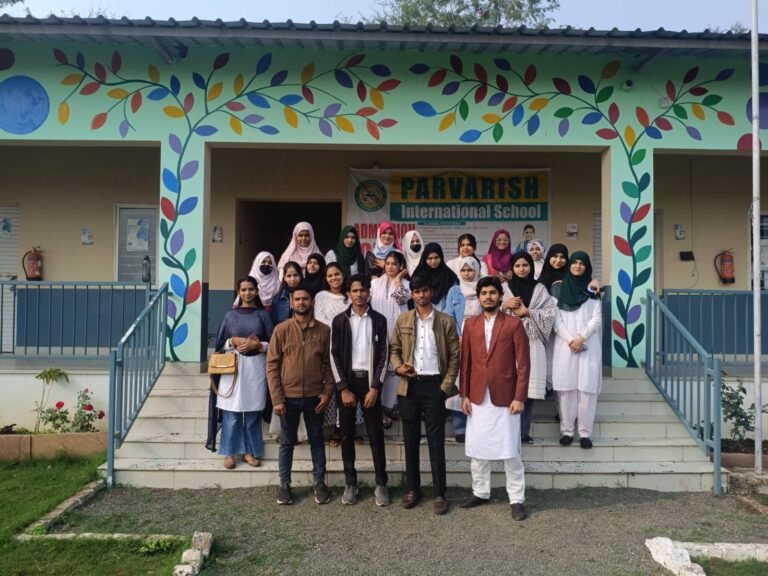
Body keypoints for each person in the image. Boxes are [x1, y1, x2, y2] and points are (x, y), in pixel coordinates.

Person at [458, 276, 530, 521]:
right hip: (478, 397)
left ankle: (516, 499)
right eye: (484, 293)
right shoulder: (470, 325)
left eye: (492, 292)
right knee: (478, 450)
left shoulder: (513, 324)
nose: (488, 297)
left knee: (511, 452)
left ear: (500, 296)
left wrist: (519, 396)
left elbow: (523, 364)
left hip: (506, 397)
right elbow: (466, 363)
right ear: (478, 297)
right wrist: (465, 395)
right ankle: (480, 492)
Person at [390, 274, 460, 515]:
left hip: (434, 387)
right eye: (417, 291)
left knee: (435, 441)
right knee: (410, 440)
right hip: (409, 386)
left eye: (425, 290)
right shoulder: (403, 319)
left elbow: (455, 357)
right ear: (412, 294)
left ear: (431, 292)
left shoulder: (445, 321)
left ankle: (440, 493)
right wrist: (398, 367)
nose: (421, 295)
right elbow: (394, 349)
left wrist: (445, 387)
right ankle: (412, 489)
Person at [267, 283, 335, 505]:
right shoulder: (281, 330)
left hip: (315, 397)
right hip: (288, 398)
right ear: (292, 302)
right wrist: (277, 398)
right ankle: (284, 485)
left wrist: (327, 393)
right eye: (297, 299)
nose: (301, 302)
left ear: (312, 302)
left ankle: (319, 483)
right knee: (287, 442)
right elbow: (272, 366)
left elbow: (329, 365)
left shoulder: (324, 331)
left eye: (305, 299)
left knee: (317, 440)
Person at [329, 274, 391, 507]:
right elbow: (333, 355)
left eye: (363, 290)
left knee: (375, 434)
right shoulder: (339, 321)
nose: (359, 294)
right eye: (354, 290)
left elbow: (384, 355)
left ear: (368, 293)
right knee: (346, 435)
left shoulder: (379, 320)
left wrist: (376, 387)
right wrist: (343, 388)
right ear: (349, 294)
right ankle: (350, 483)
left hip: (370, 383)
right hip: (347, 383)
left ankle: (381, 484)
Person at [208, 276, 274, 469]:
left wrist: (258, 345)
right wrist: (233, 341)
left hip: (255, 368)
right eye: (243, 289)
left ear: (257, 291)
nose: (247, 293)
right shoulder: (230, 316)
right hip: (233, 368)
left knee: (252, 412)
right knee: (231, 412)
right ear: (238, 292)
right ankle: (229, 453)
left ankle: (250, 452)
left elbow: (274, 343)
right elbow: (221, 344)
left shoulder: (263, 315)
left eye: (251, 289)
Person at [502, 252, 557, 443]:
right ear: (512, 268)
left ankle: (523, 432)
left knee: (529, 388)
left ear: (531, 267)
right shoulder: (504, 289)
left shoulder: (539, 289)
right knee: (509, 387)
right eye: (517, 266)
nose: (521, 269)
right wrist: (505, 306)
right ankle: (509, 432)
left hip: (532, 343)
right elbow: (488, 309)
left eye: (525, 265)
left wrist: (528, 312)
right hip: (508, 344)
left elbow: (550, 313)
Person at [551, 251, 602, 449]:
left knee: (587, 389)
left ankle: (585, 433)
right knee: (567, 389)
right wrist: (571, 340)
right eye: (575, 262)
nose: (578, 266)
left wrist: (581, 338)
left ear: (587, 267)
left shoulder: (592, 290)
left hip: (588, 344)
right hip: (566, 345)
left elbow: (597, 318)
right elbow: (556, 320)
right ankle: (567, 431)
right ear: (570, 265)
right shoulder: (558, 288)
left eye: (582, 263)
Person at [314, 263, 363, 445]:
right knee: (335, 387)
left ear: (343, 275)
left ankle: (351, 427)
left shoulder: (351, 295)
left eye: (337, 274)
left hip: (353, 346)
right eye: (330, 275)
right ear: (326, 279)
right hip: (330, 345)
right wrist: (339, 329)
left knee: (351, 384)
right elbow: (320, 320)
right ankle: (336, 430)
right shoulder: (321, 296)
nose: (334, 278)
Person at [442, 256, 483, 443]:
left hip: (481, 340)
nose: (467, 274)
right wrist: (458, 337)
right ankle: (460, 428)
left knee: (477, 381)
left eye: (470, 270)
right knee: (460, 381)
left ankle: (477, 425)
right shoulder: (454, 290)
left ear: (477, 270)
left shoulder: (483, 289)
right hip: (458, 341)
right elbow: (449, 315)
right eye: (463, 270)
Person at [269, 261, 309, 443]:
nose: (292, 279)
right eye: (289, 275)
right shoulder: (278, 299)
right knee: (285, 390)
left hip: (305, 345)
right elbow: (274, 325)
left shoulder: (307, 296)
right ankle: (283, 431)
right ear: (284, 278)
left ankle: (302, 433)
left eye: (295, 275)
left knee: (304, 390)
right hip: (285, 347)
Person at [370, 251, 411, 424]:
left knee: (395, 370)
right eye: (388, 263)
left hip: (397, 333)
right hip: (377, 333)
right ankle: (379, 410)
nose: (391, 267)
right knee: (379, 371)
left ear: (401, 266)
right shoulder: (374, 283)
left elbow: (401, 299)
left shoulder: (406, 284)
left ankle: (391, 407)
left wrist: (399, 278)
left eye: (395, 264)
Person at [412, 242, 458, 312]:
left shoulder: (449, 276)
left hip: (445, 315)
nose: (433, 261)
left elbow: (454, 300)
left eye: (436, 258)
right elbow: (415, 298)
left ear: (441, 257)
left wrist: (443, 316)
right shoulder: (418, 276)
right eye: (430, 258)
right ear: (425, 259)